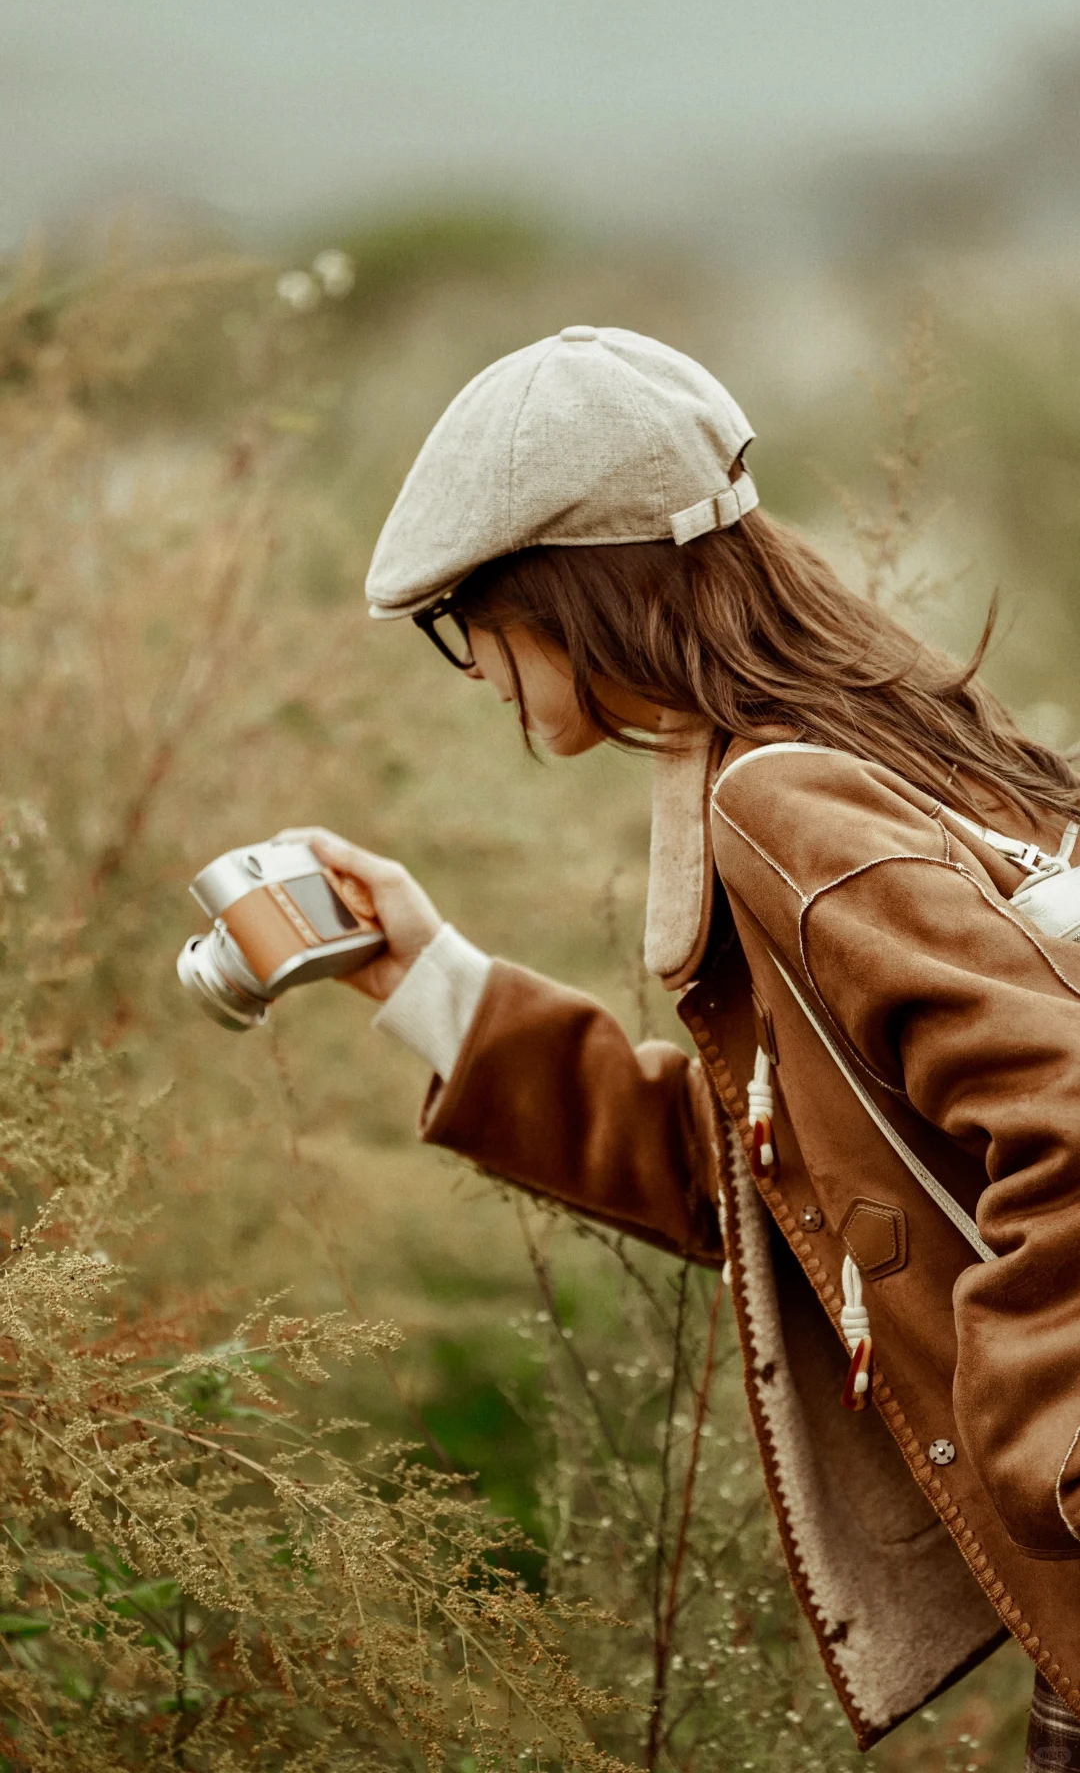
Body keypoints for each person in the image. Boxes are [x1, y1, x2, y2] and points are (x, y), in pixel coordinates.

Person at [279, 326, 1080, 1765]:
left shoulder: (783, 806)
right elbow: (809, 1183)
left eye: (467, 619)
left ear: (568, 595)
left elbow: (1066, 1109)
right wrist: (434, 986)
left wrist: (1049, 1453)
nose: (476, 672)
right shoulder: (889, 745)